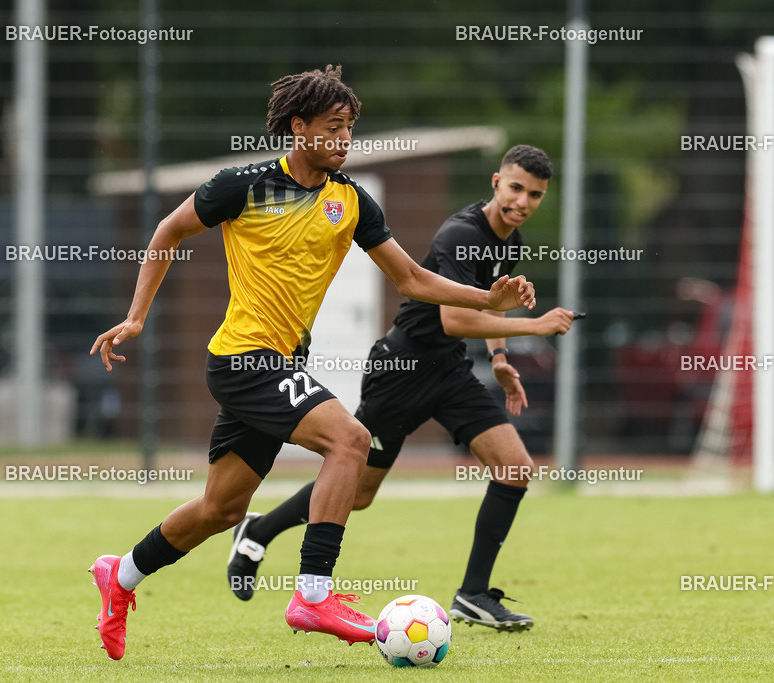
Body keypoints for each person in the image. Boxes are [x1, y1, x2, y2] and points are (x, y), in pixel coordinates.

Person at [88, 65, 537, 660]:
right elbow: (167, 233)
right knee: (350, 439)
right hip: (243, 359)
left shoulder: (351, 201)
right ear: (299, 128)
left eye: (350, 128)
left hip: (278, 361)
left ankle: (119, 577)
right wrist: (138, 316)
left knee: (222, 509)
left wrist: (487, 298)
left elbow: (409, 277)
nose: (344, 139)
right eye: (333, 127)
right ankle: (313, 593)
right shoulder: (242, 184)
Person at [226, 144, 571, 632]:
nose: (523, 201)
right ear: (497, 182)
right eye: (516, 188)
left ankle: (472, 594)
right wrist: (536, 327)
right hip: (401, 371)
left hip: (449, 374)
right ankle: (256, 531)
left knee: (514, 469)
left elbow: (492, 305)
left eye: (535, 194)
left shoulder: (511, 241)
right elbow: (453, 318)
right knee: (359, 493)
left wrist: (498, 358)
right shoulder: (461, 233)